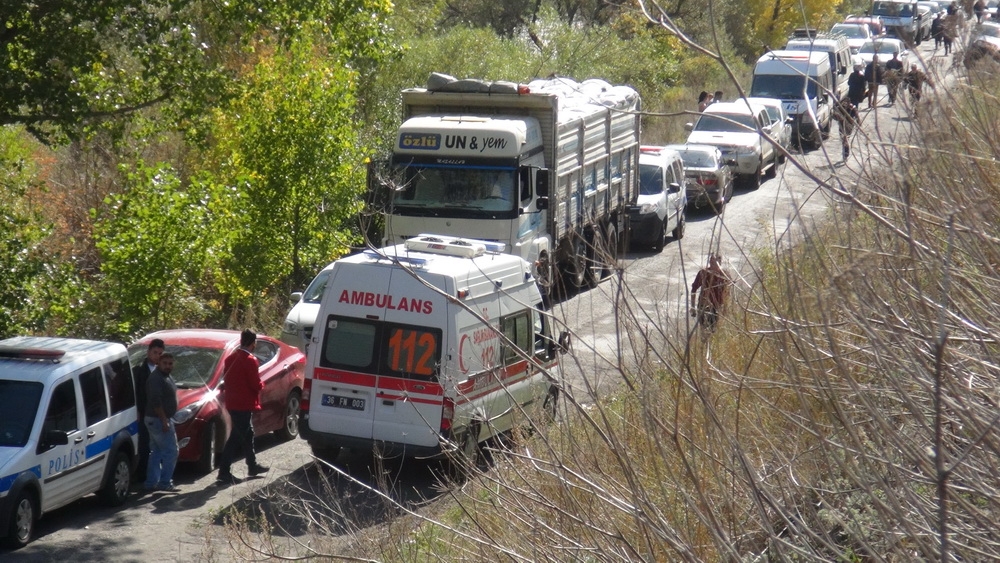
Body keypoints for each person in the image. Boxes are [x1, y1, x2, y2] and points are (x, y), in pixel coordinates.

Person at [217, 329, 268, 485]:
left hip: (232, 402)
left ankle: (252, 465)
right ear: (253, 344)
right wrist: (262, 384)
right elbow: (255, 384)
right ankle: (224, 471)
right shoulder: (251, 360)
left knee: (248, 433)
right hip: (244, 403)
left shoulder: (230, 358)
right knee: (236, 437)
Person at [145, 352, 180, 492]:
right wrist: (164, 420)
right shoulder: (156, 378)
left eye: (170, 363)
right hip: (158, 419)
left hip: (157, 419)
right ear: (159, 362)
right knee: (171, 451)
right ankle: (165, 482)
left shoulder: (166, 376)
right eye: (165, 363)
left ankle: (151, 482)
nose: (167, 366)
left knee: (157, 451)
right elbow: (156, 401)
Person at [133, 338, 165, 479]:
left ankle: (155, 474)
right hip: (145, 412)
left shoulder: (163, 371)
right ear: (148, 352)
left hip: (159, 413)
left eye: (160, 353)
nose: (157, 356)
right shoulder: (139, 371)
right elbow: (137, 393)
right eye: (155, 352)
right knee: (145, 445)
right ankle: (142, 474)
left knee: (159, 445)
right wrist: (138, 411)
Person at [690, 254, 732, 331]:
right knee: (703, 330)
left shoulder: (725, 275)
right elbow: (694, 289)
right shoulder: (703, 273)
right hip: (704, 306)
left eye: (714, 262)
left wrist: (725, 310)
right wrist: (692, 307)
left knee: (714, 331)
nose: (711, 264)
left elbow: (727, 293)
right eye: (710, 262)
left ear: (719, 263)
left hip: (717, 307)